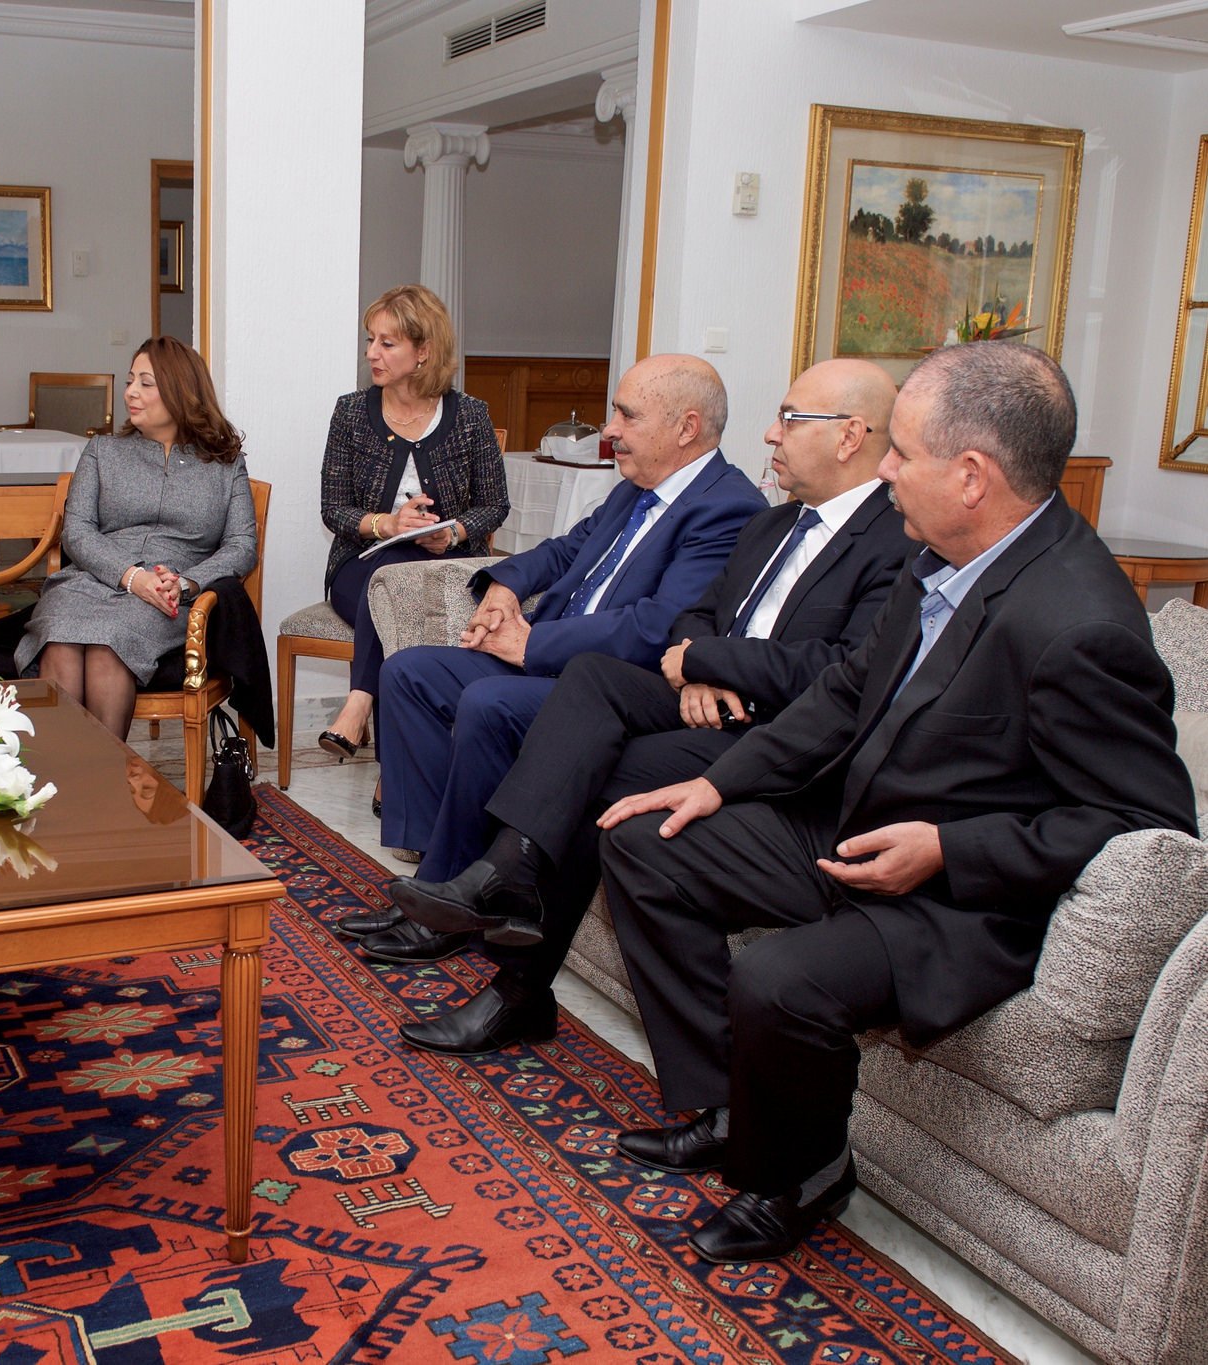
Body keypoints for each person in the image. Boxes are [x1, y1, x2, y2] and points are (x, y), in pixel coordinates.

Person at [587, 341, 1195, 1265]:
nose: (882, 472)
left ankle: (802, 1174)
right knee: (648, 839)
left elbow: (1147, 827)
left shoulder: (1080, 624)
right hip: (855, 830)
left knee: (777, 979)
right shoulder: (938, 554)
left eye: (900, 453)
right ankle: (725, 1104)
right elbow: (845, 692)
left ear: (970, 476)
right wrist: (719, 780)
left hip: (958, 898)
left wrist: (948, 848)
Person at [386, 358, 914, 1053]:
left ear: (849, 436)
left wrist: (704, 661)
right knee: (592, 681)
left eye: (789, 419)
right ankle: (503, 881)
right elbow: (695, 613)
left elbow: (837, 670)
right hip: (705, 707)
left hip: (783, 737)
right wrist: (695, 664)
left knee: (590, 775)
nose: (769, 433)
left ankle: (515, 968)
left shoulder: (896, 542)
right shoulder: (775, 523)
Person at [352, 353, 766, 964]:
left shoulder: (727, 508)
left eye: (627, 415)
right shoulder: (634, 490)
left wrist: (531, 646)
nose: (610, 431)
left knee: (487, 701)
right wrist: (504, 585)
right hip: (550, 656)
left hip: (609, 686)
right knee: (409, 673)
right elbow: (564, 549)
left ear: (686, 427)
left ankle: (445, 906)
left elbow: (658, 626)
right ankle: (438, 872)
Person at [15, 337, 256, 739]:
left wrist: (185, 583)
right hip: (89, 580)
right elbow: (77, 531)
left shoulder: (225, 465)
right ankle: (66, 775)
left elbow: (242, 545)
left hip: (167, 593)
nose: (130, 392)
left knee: (110, 644)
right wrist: (130, 576)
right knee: (59, 637)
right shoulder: (103, 451)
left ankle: (105, 777)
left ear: (181, 391)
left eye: (146, 383)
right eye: (130, 381)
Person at [317, 284, 509, 781]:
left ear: (423, 351)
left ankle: (359, 706)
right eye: (371, 340)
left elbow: (495, 505)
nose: (371, 353)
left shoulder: (470, 416)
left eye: (387, 343)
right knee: (393, 578)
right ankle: (394, 770)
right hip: (360, 568)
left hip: (447, 568)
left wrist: (453, 533)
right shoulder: (351, 413)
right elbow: (333, 508)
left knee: (402, 588)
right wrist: (387, 525)